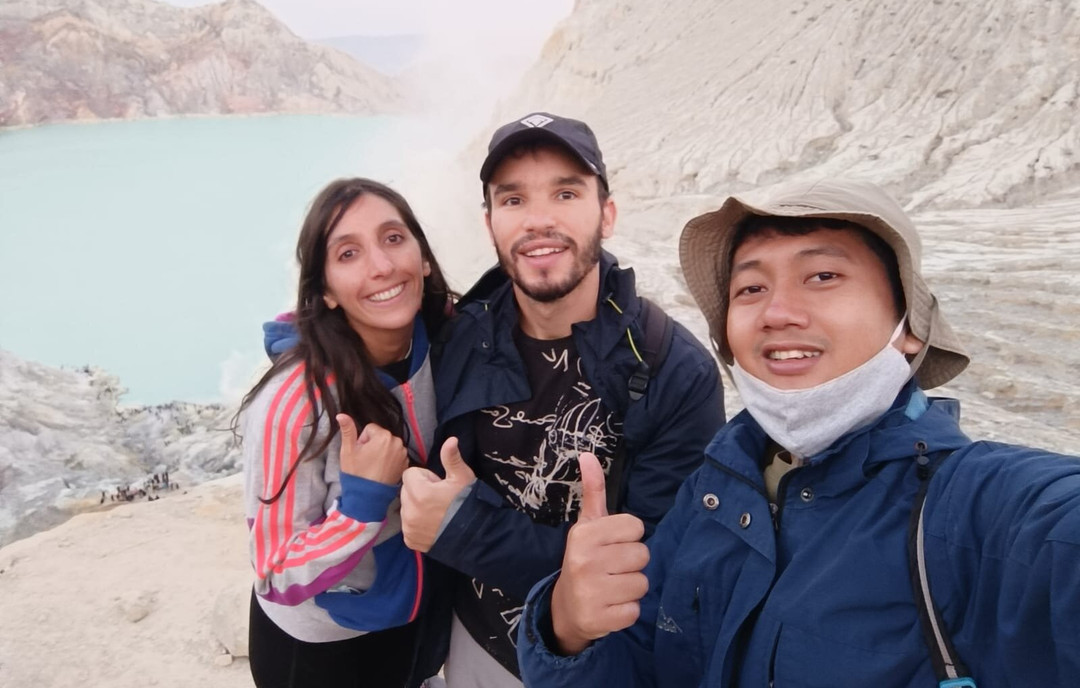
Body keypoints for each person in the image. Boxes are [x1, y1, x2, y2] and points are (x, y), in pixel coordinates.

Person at [517, 177, 1080, 687]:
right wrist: (566, 628)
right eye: (751, 290)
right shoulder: (710, 494)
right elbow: (641, 668)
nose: (778, 312)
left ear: (910, 327)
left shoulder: (982, 512)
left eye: (823, 276)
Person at [399, 112, 725, 687]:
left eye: (566, 192)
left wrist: (461, 529)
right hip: (474, 643)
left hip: (598, 662)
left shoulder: (673, 369)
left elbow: (654, 568)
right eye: (514, 200)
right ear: (490, 222)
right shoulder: (460, 339)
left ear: (608, 213)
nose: (539, 220)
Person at [238, 178, 454, 688]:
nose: (381, 265)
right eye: (349, 253)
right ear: (326, 291)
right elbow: (273, 570)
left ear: (423, 257)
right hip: (325, 647)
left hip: (421, 614)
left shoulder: (451, 345)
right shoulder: (295, 404)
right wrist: (361, 504)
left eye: (394, 238)